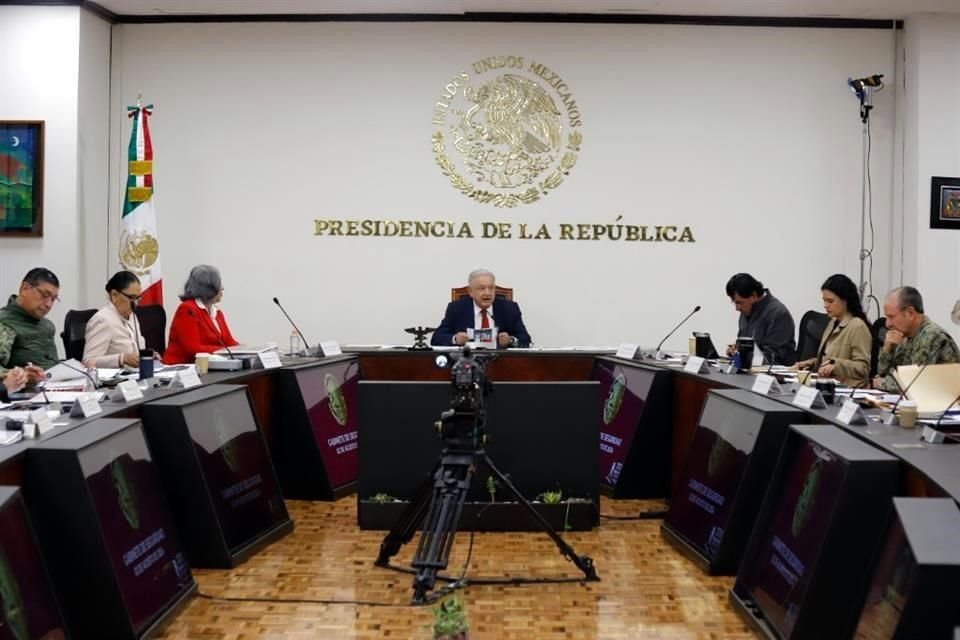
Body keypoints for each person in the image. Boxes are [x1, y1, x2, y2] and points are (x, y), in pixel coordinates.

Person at [873, 286, 960, 391]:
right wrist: (888, 349)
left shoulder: (931, 336)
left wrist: (882, 383)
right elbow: (883, 374)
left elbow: (915, 386)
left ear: (910, 313)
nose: (887, 324)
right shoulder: (905, 336)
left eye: (891, 317)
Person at [792, 274, 871, 387]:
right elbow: (828, 360)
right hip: (827, 387)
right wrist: (807, 364)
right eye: (824, 301)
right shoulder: (832, 323)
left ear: (845, 300)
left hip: (848, 391)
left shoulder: (857, 326)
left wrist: (837, 366)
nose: (825, 305)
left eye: (830, 301)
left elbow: (863, 368)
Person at [431, 269, 532, 348]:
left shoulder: (509, 309)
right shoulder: (457, 308)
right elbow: (437, 338)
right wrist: (455, 339)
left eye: (491, 288)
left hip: (500, 361)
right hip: (467, 361)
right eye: (482, 288)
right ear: (470, 291)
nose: (487, 293)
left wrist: (510, 340)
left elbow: (525, 339)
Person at [163, 265, 239, 365]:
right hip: (180, 370)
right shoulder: (187, 310)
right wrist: (226, 351)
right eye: (219, 286)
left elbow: (229, 342)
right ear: (209, 288)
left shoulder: (216, 312)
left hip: (206, 368)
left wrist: (247, 351)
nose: (222, 291)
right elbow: (193, 348)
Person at [0, 267, 61, 380]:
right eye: (44, 295)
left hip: (56, 388)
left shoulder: (47, 325)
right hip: (23, 394)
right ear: (25, 289)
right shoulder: (5, 323)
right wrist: (23, 374)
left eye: (53, 299)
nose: (49, 304)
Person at [725, 273, 797, 366]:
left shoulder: (778, 314)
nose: (737, 308)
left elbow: (772, 358)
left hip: (774, 375)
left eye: (739, 302)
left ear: (754, 295)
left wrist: (743, 354)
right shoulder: (746, 310)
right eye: (734, 303)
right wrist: (735, 350)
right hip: (749, 370)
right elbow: (746, 345)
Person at [82, 271, 146, 369]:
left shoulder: (133, 317)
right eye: (132, 298)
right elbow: (88, 362)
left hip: (134, 378)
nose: (136, 304)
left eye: (138, 298)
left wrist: (146, 356)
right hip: (113, 382)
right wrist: (121, 359)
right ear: (114, 295)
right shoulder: (102, 320)